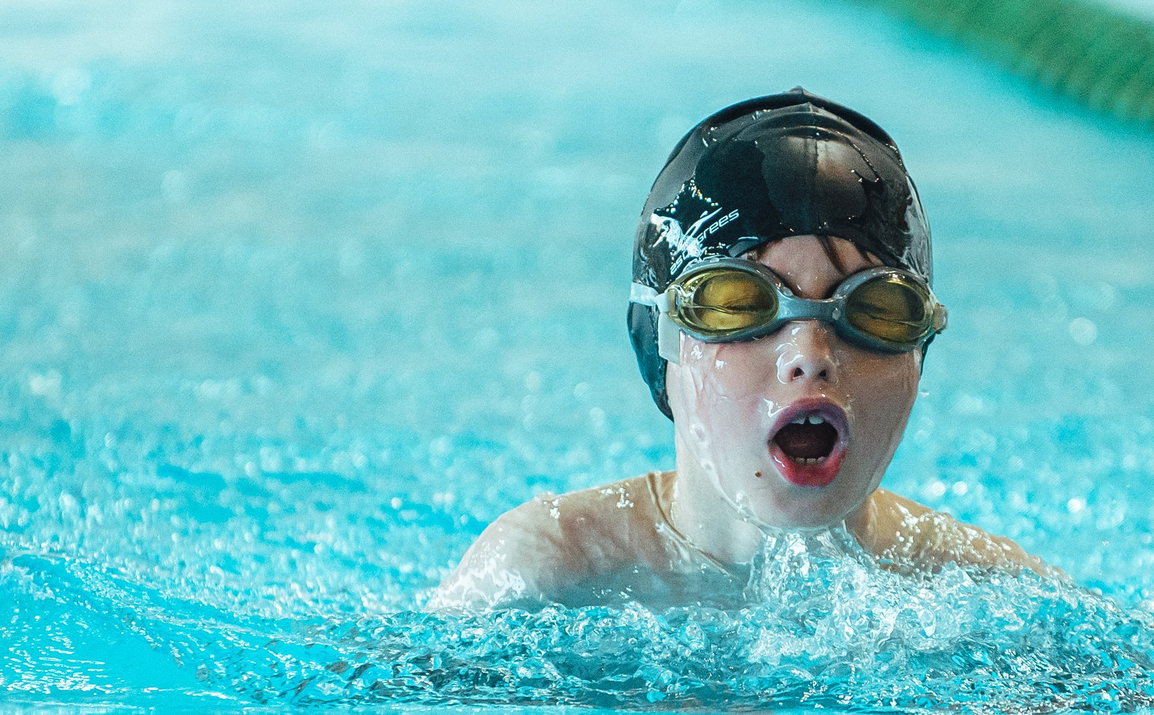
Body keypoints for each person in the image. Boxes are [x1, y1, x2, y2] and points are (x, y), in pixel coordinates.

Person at [433, 90, 1050, 612]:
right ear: (662, 348)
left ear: (920, 354)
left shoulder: (984, 591)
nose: (810, 353)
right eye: (738, 305)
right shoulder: (547, 573)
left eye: (876, 312)